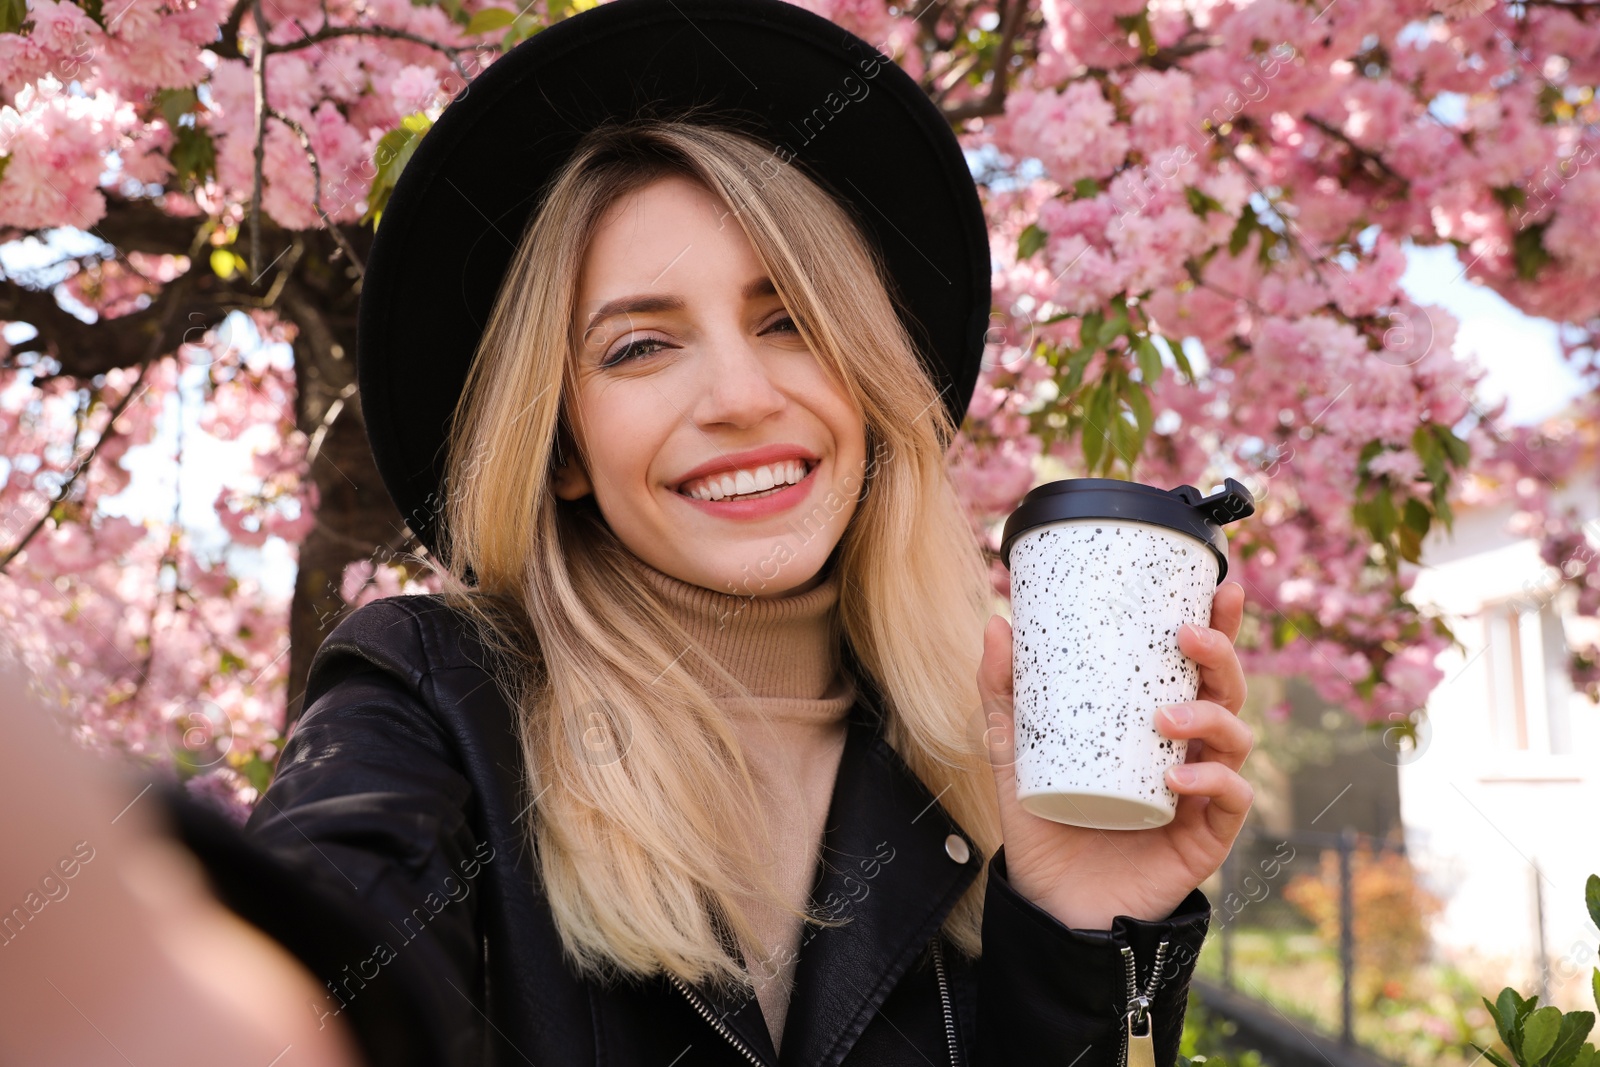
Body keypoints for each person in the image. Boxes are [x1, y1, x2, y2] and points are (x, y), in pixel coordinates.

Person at [0, 1, 1256, 1064]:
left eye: (789, 319)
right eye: (641, 345)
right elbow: (330, 957)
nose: (740, 396)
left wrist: (1078, 936)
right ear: (559, 450)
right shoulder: (436, 696)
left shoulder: (971, 755)